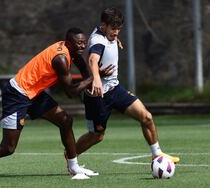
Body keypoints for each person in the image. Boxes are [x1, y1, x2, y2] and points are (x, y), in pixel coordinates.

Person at [0, 28, 103, 180]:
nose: (83, 46)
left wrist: (92, 79)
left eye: (84, 43)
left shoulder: (73, 52)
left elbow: (83, 68)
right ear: (68, 43)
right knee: (8, 148)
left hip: (34, 93)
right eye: (79, 43)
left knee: (65, 120)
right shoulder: (61, 59)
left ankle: (73, 166)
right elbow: (70, 93)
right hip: (17, 94)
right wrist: (93, 79)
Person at [75, 7, 180, 170]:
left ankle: (157, 154)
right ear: (103, 26)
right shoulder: (98, 41)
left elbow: (108, 39)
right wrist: (96, 79)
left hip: (114, 89)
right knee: (97, 136)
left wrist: (114, 39)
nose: (116, 32)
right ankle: (70, 157)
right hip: (97, 96)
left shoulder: (106, 33)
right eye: (113, 28)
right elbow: (92, 60)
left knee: (146, 117)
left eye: (118, 29)